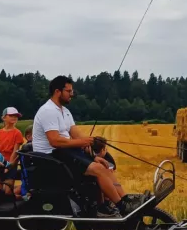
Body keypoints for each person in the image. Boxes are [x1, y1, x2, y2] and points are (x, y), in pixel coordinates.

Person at [32, 75, 135, 216]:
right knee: (98, 169)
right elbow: (55, 141)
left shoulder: (65, 112)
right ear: (57, 92)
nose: (72, 94)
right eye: (68, 91)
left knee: (104, 166)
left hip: (64, 152)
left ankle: (124, 199)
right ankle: (121, 206)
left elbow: (77, 135)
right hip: (50, 157)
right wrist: (82, 143)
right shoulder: (48, 111)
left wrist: (92, 152)